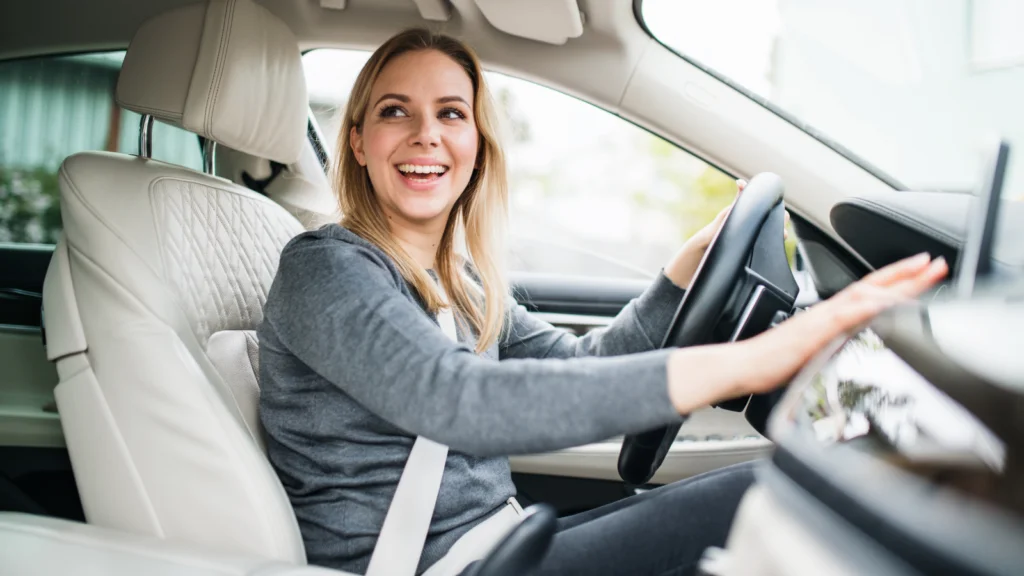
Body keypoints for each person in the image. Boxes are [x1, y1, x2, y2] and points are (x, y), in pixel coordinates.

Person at [258, 28, 947, 576]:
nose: (426, 134)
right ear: (358, 141)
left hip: (500, 541)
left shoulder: (460, 283)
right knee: (770, 505)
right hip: (429, 566)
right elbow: (460, 400)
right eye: (394, 112)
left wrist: (681, 274)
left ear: (477, 146)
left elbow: (579, 361)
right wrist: (754, 360)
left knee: (772, 491)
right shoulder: (325, 268)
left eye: (451, 114)